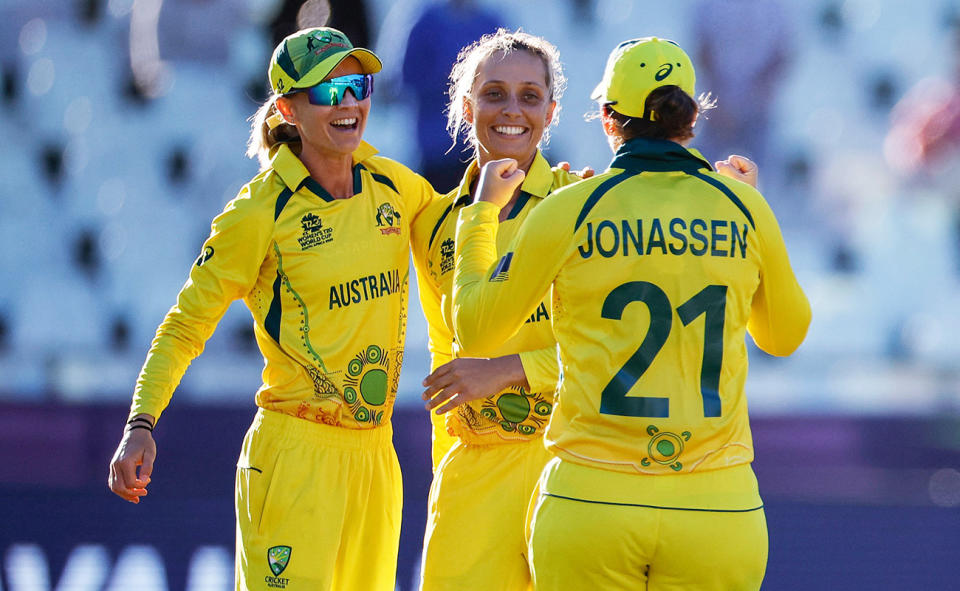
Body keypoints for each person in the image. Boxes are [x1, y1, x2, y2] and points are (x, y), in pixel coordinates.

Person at [428, 37, 810, 590]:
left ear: (609, 118)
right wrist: (749, 216)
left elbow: (477, 327)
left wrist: (480, 217)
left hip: (589, 501)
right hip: (716, 508)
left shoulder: (571, 207)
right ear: (690, 120)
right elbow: (784, 335)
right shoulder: (742, 205)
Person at [107, 27, 436, 590]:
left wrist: (550, 191)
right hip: (295, 456)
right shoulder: (259, 211)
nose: (351, 104)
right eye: (330, 93)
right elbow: (186, 324)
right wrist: (141, 421)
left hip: (377, 457)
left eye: (359, 86)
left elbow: (471, 233)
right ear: (288, 108)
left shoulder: (395, 186)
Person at [409, 30, 579, 591]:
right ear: (465, 106)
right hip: (472, 480)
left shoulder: (584, 208)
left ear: (551, 112)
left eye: (530, 97)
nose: (512, 110)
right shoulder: (434, 222)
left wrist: (507, 370)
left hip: (572, 468)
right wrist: (446, 477)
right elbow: (446, 362)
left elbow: (614, 352)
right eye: (494, 94)